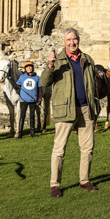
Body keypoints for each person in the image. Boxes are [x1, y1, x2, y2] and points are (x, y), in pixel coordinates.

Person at [40, 27, 99, 195]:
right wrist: (50, 65)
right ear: (63, 42)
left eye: (74, 39)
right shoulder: (57, 60)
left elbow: (92, 86)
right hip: (65, 109)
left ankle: (85, 180)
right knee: (59, 149)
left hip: (85, 108)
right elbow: (44, 82)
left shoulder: (87, 59)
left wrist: (94, 105)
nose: (72, 43)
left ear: (78, 40)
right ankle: (55, 185)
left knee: (87, 147)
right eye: (69, 40)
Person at [17, 61, 41, 138]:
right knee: (22, 116)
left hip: (33, 100)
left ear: (32, 68)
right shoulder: (22, 77)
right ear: (25, 69)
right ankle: (20, 133)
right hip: (23, 100)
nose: (29, 68)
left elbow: (39, 88)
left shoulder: (37, 78)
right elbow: (17, 86)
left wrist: (39, 98)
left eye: (30, 66)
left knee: (32, 116)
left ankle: (32, 132)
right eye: (27, 67)